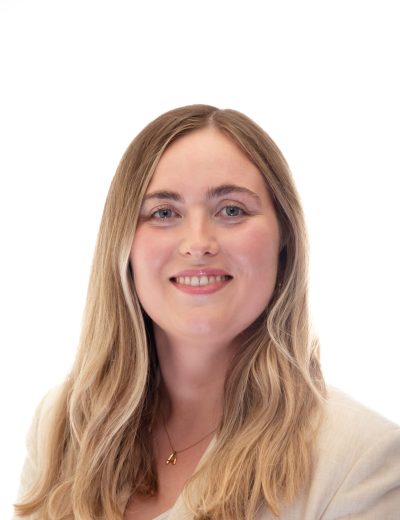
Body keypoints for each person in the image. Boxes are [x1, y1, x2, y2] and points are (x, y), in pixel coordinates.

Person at [14, 105, 400, 519]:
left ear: (284, 237)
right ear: (123, 244)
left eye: (232, 210)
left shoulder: (361, 461)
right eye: (164, 213)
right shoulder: (63, 425)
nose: (198, 243)